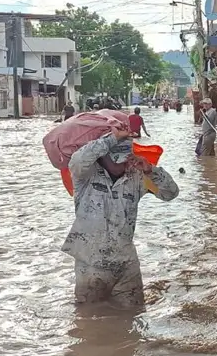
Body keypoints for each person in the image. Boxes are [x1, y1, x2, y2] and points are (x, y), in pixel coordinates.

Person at [61, 128, 179, 305]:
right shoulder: (85, 175)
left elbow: (170, 193)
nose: (123, 164)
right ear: (102, 157)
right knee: (89, 322)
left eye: (126, 159)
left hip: (126, 265)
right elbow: (77, 160)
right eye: (116, 160)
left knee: (133, 317)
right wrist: (111, 138)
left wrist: (150, 170)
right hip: (91, 266)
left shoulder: (136, 177)